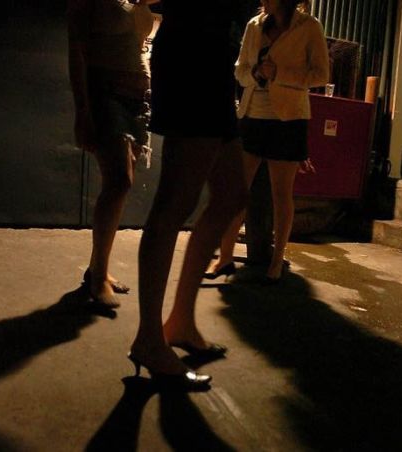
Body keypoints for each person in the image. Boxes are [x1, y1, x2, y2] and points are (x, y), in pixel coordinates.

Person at [128, 0, 249, 390]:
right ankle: (149, 338)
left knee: (231, 193)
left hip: (215, 59)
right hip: (194, 53)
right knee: (174, 202)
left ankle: (180, 321)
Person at [205, 0, 329, 284]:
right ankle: (224, 258)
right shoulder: (254, 25)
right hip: (251, 115)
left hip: (289, 119)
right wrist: (255, 74)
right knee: (237, 191)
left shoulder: (309, 27)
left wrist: (279, 75)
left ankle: (276, 259)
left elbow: (321, 74)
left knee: (281, 194)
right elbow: (239, 70)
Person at [67, 0, 154, 308]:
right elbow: (76, 51)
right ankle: (98, 277)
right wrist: (82, 111)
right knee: (119, 180)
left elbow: (140, 42)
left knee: (120, 181)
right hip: (106, 91)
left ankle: (97, 269)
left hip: (137, 97)